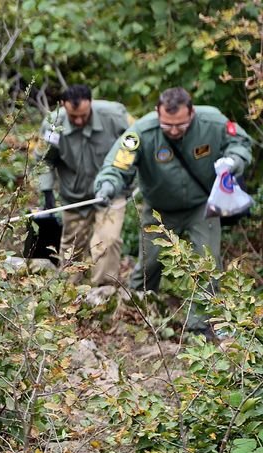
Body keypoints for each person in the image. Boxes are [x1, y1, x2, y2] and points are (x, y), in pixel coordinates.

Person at [94, 86, 253, 333]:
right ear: (158, 114)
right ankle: (138, 314)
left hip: (202, 207)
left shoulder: (212, 120)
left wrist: (233, 160)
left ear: (191, 114)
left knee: (208, 264)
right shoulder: (142, 131)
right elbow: (118, 163)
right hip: (159, 210)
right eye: (168, 126)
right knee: (149, 266)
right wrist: (107, 185)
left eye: (180, 125)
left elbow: (240, 142)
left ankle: (200, 327)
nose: (175, 131)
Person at [35, 84, 132, 285]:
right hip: (75, 196)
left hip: (110, 193)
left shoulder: (115, 116)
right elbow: (44, 159)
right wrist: (47, 192)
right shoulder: (53, 124)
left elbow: (137, 144)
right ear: (63, 106)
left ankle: (102, 295)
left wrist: (129, 178)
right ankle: (68, 299)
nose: (79, 121)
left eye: (83, 115)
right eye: (73, 117)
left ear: (91, 104)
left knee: (107, 241)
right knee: (72, 249)